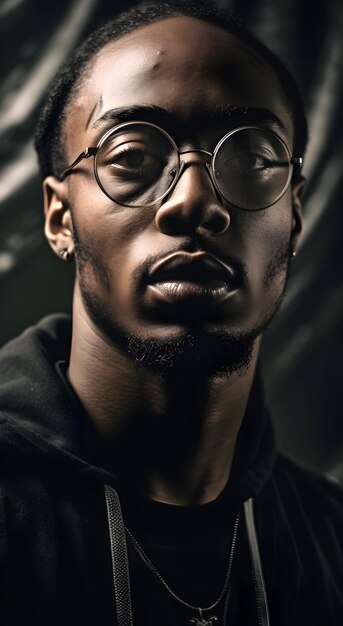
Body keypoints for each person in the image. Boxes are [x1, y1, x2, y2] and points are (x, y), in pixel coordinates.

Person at [0, 1, 342, 624]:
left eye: (251, 157)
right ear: (59, 217)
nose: (193, 201)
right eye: (131, 157)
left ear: (294, 212)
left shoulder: (329, 543)